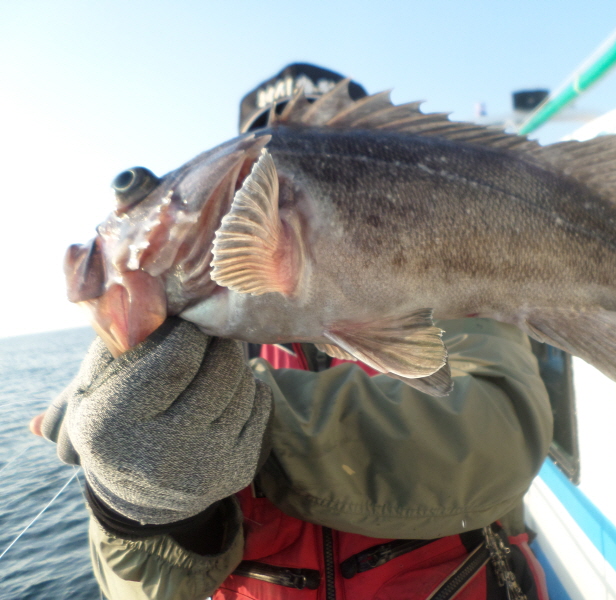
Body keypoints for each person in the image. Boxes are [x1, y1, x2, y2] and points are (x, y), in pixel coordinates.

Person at [32, 64, 554, 600]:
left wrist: (252, 425)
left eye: (332, 164)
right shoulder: (181, 337)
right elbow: (136, 589)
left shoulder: (454, 279)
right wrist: (140, 512)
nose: (276, 200)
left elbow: (499, 439)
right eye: (256, 177)